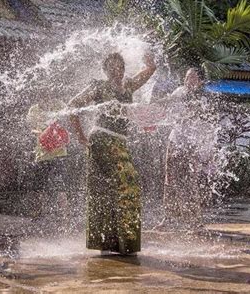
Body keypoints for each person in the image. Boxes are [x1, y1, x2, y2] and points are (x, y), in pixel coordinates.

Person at [68, 52, 156, 255]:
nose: (118, 71)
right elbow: (72, 105)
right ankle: (125, 243)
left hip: (120, 142)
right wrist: (80, 135)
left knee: (107, 191)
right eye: (113, 68)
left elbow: (149, 71)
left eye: (121, 67)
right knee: (128, 180)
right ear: (105, 70)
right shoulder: (98, 86)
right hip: (102, 139)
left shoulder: (128, 86)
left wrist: (150, 63)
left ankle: (112, 243)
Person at [157, 68, 216, 229]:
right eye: (186, 76)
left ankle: (195, 222)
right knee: (169, 178)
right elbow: (168, 102)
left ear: (200, 81)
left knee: (189, 181)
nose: (188, 80)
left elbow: (207, 121)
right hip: (175, 139)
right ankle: (169, 217)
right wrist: (157, 102)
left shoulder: (204, 97)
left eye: (192, 77)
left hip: (192, 143)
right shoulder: (179, 91)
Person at [26, 97, 70, 225]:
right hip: (42, 154)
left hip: (59, 154)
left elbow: (67, 120)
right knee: (38, 186)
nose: (45, 96)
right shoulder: (34, 109)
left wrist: (56, 131)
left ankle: (64, 215)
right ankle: (37, 214)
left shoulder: (59, 104)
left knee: (61, 186)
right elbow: (31, 128)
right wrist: (43, 133)